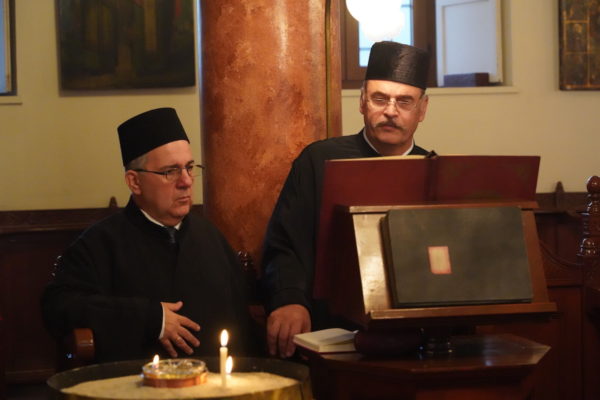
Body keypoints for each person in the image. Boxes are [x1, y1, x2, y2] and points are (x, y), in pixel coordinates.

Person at [42, 108, 254, 362]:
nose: (186, 181)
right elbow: (58, 307)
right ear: (134, 182)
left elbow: (245, 320)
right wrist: (150, 318)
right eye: (170, 171)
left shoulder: (210, 236)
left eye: (189, 168)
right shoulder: (99, 243)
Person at [261, 41, 431, 358]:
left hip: (413, 331)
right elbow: (285, 244)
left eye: (404, 101)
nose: (390, 111)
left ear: (422, 109)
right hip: (329, 327)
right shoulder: (318, 160)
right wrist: (290, 299)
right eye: (380, 98)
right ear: (362, 101)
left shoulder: (433, 171)